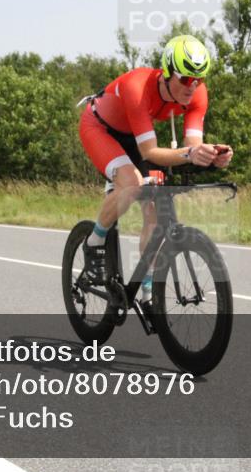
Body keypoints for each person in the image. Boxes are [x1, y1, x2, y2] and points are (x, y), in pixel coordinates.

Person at [77, 34, 233, 297]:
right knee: (132, 183)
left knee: (155, 207)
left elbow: (191, 145)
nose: (191, 87)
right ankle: (94, 243)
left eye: (199, 80)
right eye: (185, 78)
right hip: (100, 129)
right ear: (167, 72)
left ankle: (148, 286)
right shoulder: (137, 87)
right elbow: (150, 151)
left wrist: (211, 156)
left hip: (135, 135)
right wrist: (192, 153)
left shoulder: (197, 95)